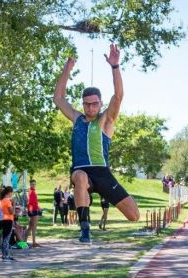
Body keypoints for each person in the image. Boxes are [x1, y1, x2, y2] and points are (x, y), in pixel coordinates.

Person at [53, 44, 140, 243]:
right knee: (81, 177)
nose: (90, 107)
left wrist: (115, 67)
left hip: (103, 173)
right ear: (83, 104)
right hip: (81, 170)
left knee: (134, 216)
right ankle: (85, 228)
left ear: (100, 103)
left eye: (94, 103)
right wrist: (67, 69)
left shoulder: (106, 120)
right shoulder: (76, 118)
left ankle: (100, 196)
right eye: (87, 103)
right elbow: (58, 98)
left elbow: (118, 96)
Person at [0, 186, 16, 261]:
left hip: (4, 219)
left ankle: (5, 255)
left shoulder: (1, 200)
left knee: (5, 238)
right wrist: (14, 204)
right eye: (12, 193)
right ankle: (5, 256)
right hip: (8, 220)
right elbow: (12, 212)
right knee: (6, 239)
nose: (12, 194)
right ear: (9, 193)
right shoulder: (7, 201)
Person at [26, 179, 41, 247]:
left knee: (31, 227)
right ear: (30, 185)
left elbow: (35, 201)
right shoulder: (31, 192)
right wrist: (31, 210)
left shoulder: (32, 191)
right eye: (32, 184)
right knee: (33, 227)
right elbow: (29, 203)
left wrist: (38, 207)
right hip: (33, 210)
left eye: (34, 184)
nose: (33, 185)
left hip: (34, 210)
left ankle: (27, 241)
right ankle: (32, 242)